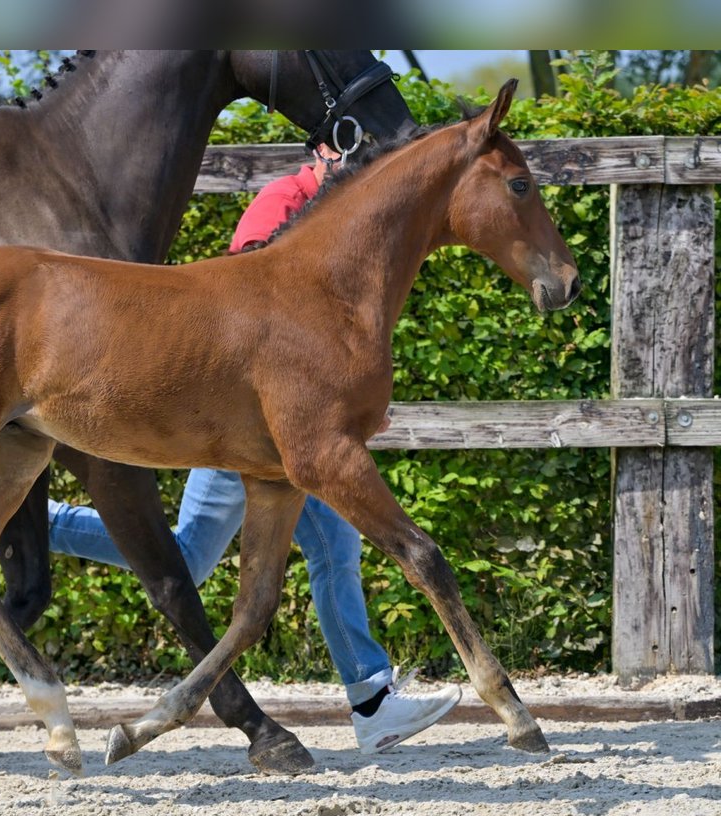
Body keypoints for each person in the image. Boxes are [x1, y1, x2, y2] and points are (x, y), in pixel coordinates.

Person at [48, 145, 461, 754]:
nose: (355, 163)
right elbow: (251, 310)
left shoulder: (344, 213)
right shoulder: (282, 202)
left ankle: (372, 701)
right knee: (192, 558)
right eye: (343, 150)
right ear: (321, 151)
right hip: (249, 425)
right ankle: (47, 523)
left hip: (296, 431)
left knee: (333, 553)